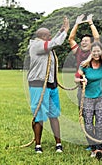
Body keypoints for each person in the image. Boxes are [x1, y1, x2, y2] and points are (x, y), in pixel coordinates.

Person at [27, 17, 70, 153]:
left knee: (54, 115)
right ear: (42, 36)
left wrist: (60, 31)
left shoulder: (46, 45)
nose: (50, 36)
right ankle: (38, 145)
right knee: (39, 114)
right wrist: (66, 31)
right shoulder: (36, 45)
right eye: (48, 35)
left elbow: (52, 42)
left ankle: (58, 144)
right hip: (38, 85)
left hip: (51, 85)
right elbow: (54, 43)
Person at [68, 14, 100, 151]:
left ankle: (98, 142)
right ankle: (91, 143)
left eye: (86, 40)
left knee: (97, 116)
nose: (83, 42)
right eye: (82, 41)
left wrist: (91, 23)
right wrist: (77, 23)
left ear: (92, 43)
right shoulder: (78, 52)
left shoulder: (95, 52)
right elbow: (70, 39)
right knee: (86, 117)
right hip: (82, 89)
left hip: (97, 89)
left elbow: (97, 38)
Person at [74, 41, 102, 157]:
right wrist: (82, 80)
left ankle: (99, 149)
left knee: (99, 124)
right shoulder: (84, 65)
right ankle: (93, 148)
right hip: (87, 97)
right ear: (91, 53)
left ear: (101, 52)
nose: (96, 53)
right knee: (88, 124)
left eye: (98, 51)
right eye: (94, 51)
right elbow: (76, 78)